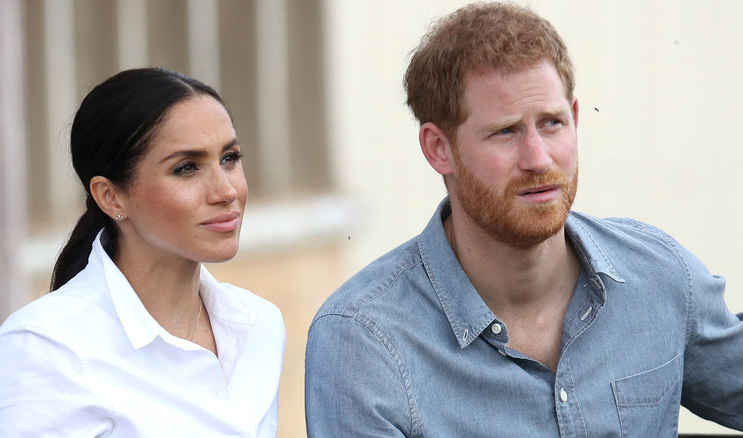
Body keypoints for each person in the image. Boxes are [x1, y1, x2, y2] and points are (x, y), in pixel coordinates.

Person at [305, 2, 743, 436]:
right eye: (506, 131)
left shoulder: (660, 277)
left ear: (575, 118)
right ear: (439, 148)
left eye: (551, 123)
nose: (538, 158)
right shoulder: (363, 342)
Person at [0, 68, 285, 437]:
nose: (226, 190)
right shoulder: (44, 351)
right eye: (187, 168)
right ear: (110, 195)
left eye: (229, 158)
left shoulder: (258, 325)